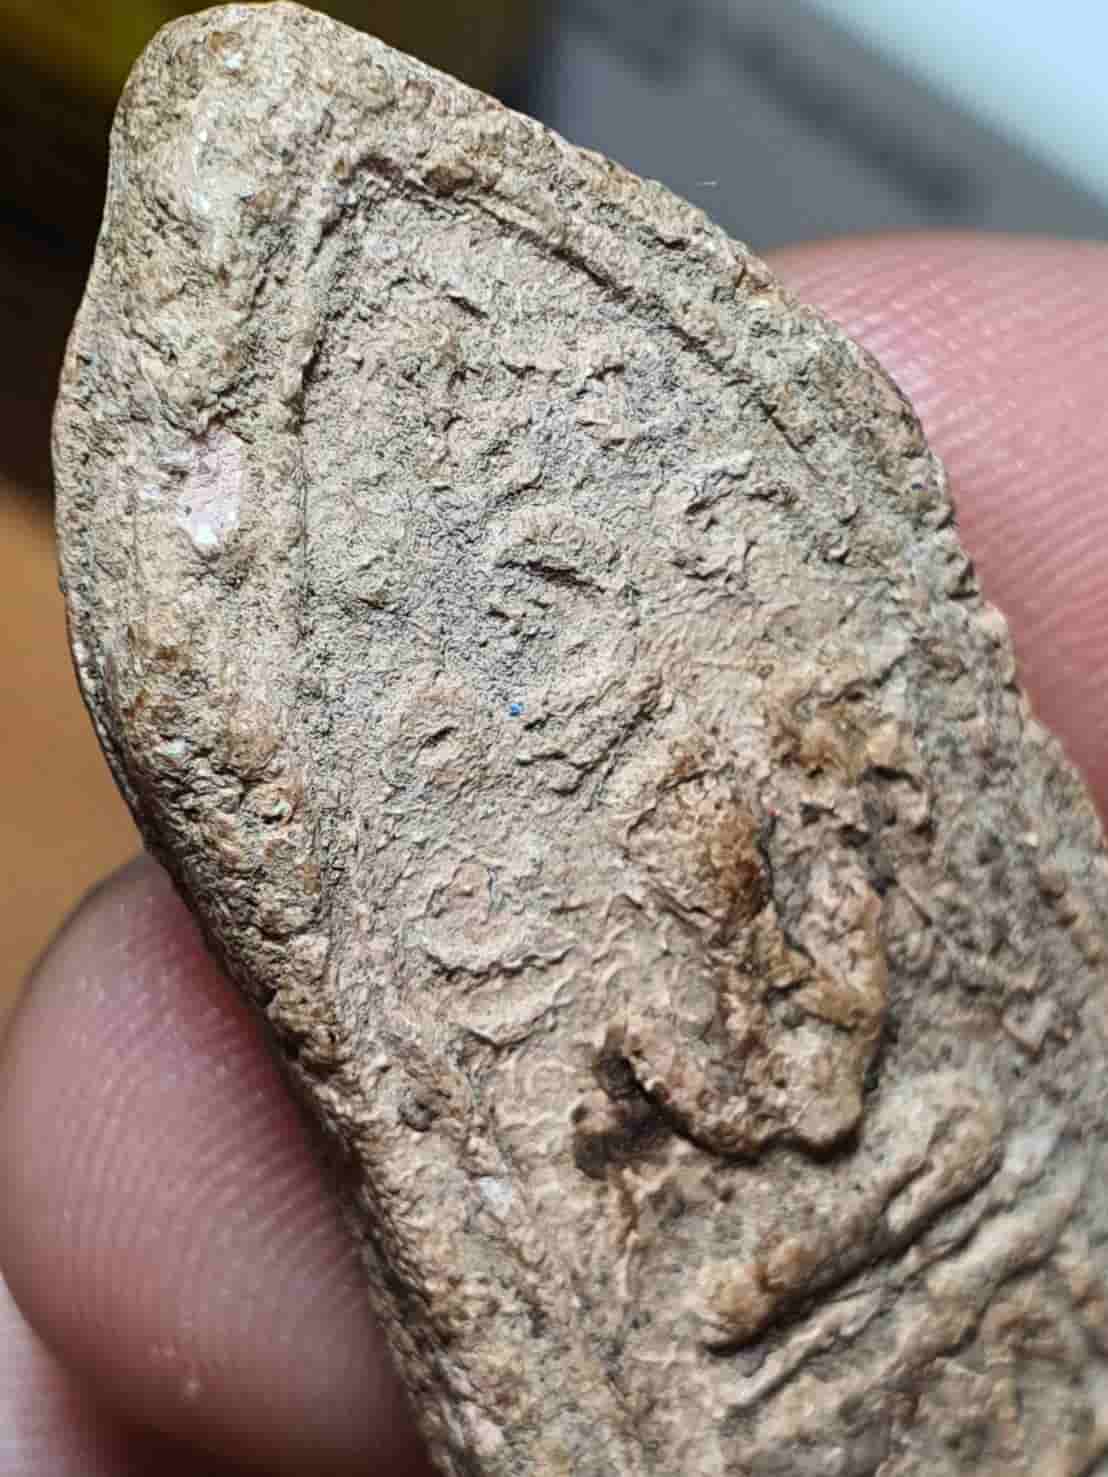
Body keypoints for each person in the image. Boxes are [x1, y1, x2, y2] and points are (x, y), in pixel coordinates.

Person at [1, 234, 1105, 1474]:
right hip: (799, 1263)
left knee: (965, 1133)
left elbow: (832, 1084)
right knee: (727, 1304)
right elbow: (747, 1099)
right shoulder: (661, 1000)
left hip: (921, 1193)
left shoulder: (811, 891)